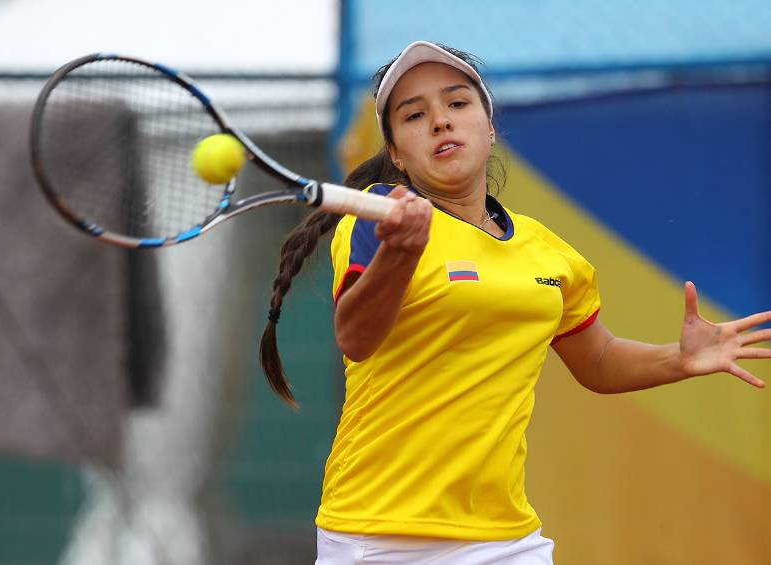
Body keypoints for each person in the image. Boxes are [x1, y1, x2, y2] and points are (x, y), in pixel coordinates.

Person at [259, 41, 770, 564]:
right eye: (414, 115)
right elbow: (356, 339)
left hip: (506, 539)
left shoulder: (547, 251)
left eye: (457, 104)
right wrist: (401, 253)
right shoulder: (380, 222)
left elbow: (597, 360)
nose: (440, 121)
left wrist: (680, 359)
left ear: (490, 126)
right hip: (379, 534)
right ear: (395, 152)